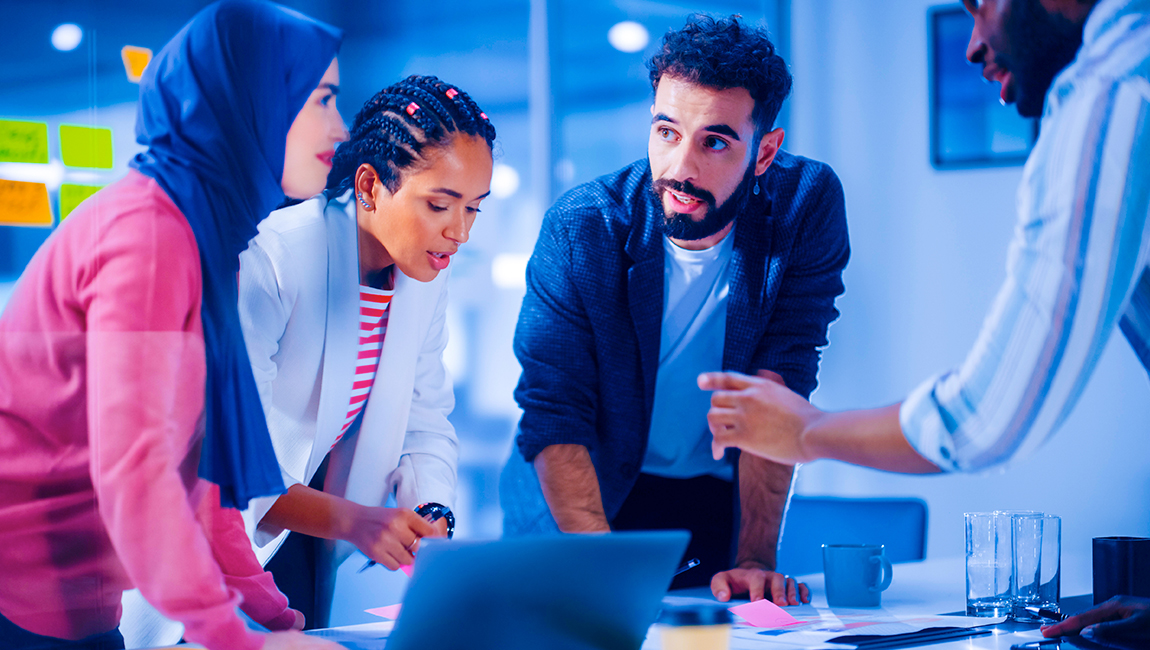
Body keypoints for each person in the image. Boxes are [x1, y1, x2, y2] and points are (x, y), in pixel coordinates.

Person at [700, 0, 1150, 642]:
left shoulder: (1114, 93)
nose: (972, 43)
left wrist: (807, 432)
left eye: (981, 4)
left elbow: (983, 420)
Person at [0, 2, 348, 648]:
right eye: (322, 98)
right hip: (25, 605)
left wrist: (274, 616)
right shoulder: (152, 235)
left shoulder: (204, 238)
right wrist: (238, 638)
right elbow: (138, 471)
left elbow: (203, 472)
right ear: (250, 98)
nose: (340, 126)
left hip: (74, 602)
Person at [499, 14, 849, 605]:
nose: (681, 167)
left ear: (764, 152)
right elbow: (556, 415)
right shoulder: (582, 228)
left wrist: (755, 560)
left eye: (715, 141)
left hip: (708, 500)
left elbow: (779, 385)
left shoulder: (804, 207)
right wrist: (603, 573)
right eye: (667, 132)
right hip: (578, 497)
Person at [236, 75, 495, 628]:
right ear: (371, 185)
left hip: (307, 549)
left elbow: (425, 418)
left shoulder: (425, 273)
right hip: (220, 555)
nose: (460, 232)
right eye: (440, 205)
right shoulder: (273, 256)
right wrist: (358, 522)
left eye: (474, 209)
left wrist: (431, 511)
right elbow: (236, 463)